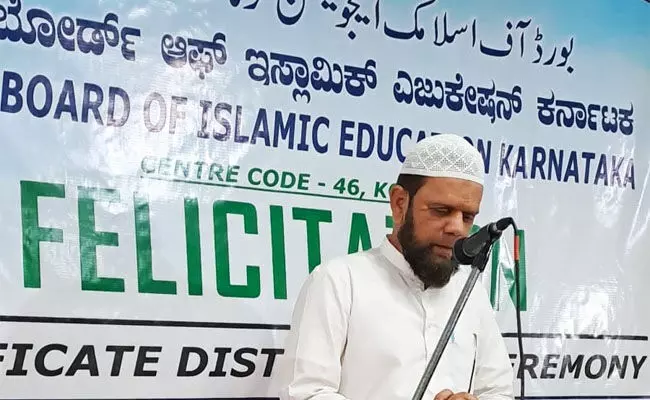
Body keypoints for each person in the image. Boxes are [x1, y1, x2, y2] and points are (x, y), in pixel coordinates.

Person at [271, 134, 514, 400]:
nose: (457, 228)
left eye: (467, 216)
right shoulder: (339, 281)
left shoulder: (470, 291)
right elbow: (305, 393)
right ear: (399, 204)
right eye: (441, 210)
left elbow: (498, 391)